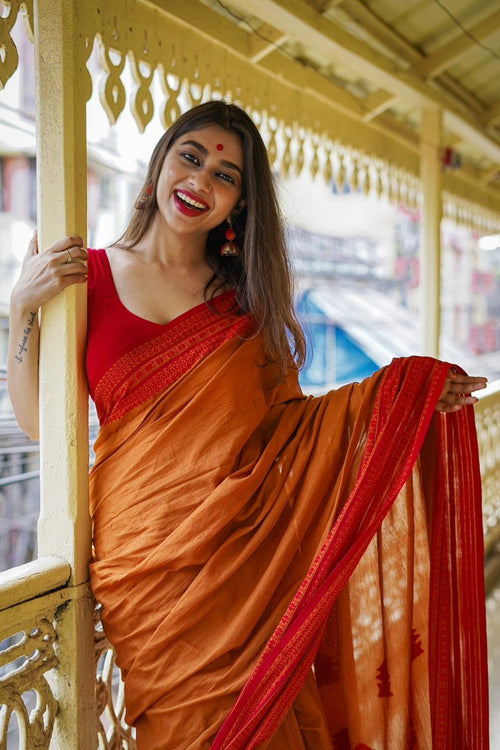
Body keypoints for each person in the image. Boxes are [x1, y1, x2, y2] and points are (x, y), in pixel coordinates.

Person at [7, 100, 489, 750]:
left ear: (237, 205)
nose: (202, 180)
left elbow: (294, 427)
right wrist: (21, 311)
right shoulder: (86, 276)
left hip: (244, 565)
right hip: (142, 566)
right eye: (192, 156)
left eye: (226, 175)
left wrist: (402, 393)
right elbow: (39, 421)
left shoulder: (242, 307)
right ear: (159, 166)